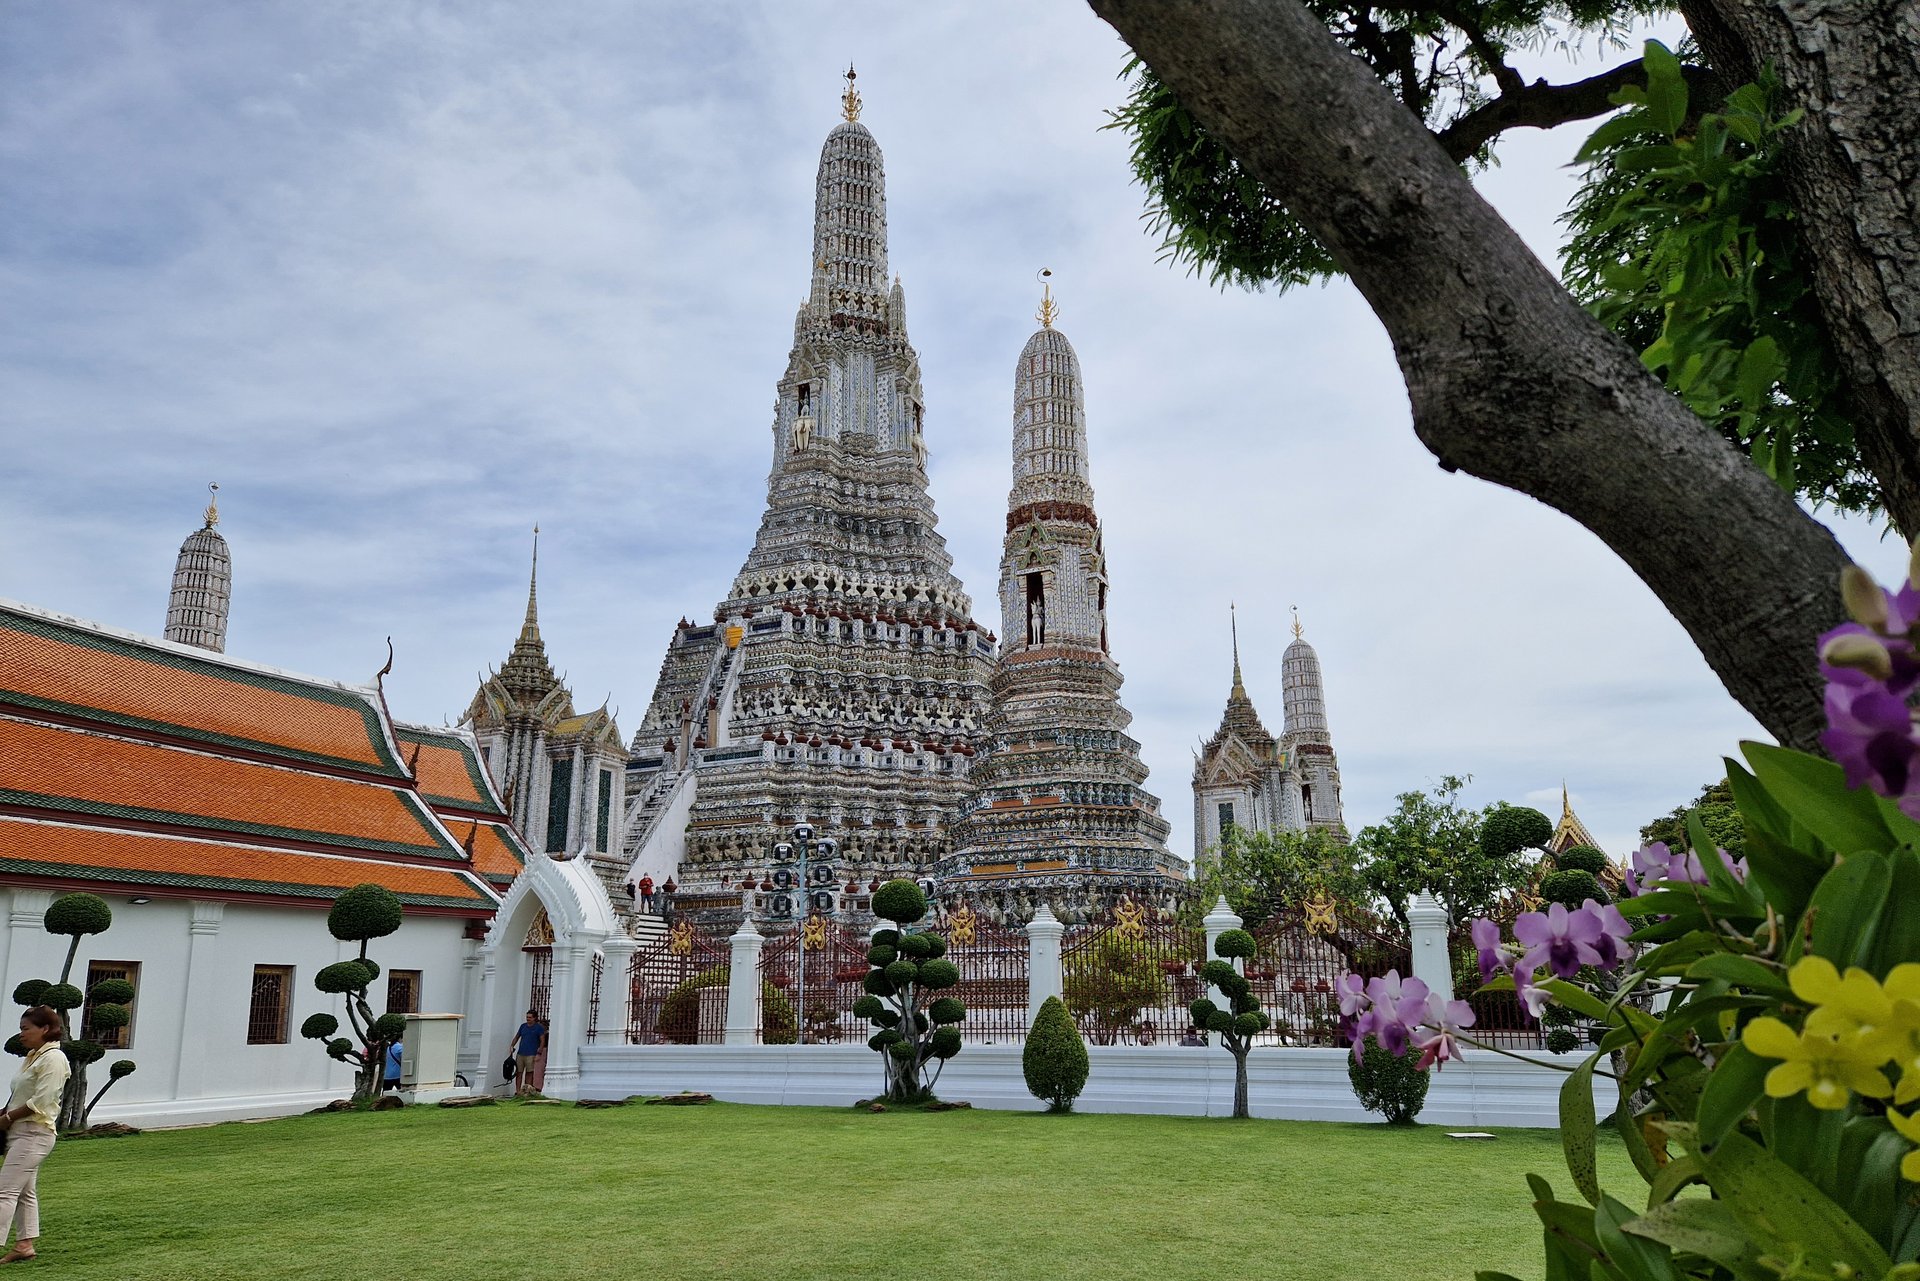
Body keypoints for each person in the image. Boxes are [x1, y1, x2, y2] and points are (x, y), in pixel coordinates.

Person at [0, 1006, 71, 1264]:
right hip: (21, 1132)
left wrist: (6, 1119)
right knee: (23, 1192)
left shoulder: (53, 1058)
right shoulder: (33, 1055)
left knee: (5, 1191)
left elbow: (41, 1102)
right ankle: (24, 1245)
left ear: (45, 1029)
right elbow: (22, 1094)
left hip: (35, 1132)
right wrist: (5, 1112)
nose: (21, 1034)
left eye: (25, 1029)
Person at [509, 1009, 546, 1098]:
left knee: (529, 1072)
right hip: (521, 1053)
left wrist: (539, 1053)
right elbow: (517, 1037)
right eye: (527, 1017)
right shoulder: (523, 1026)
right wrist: (512, 1045)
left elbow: (542, 1041)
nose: (528, 1019)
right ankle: (518, 1091)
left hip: (532, 1053)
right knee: (519, 1072)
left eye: (530, 1017)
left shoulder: (539, 1028)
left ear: (534, 1018)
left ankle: (527, 1090)